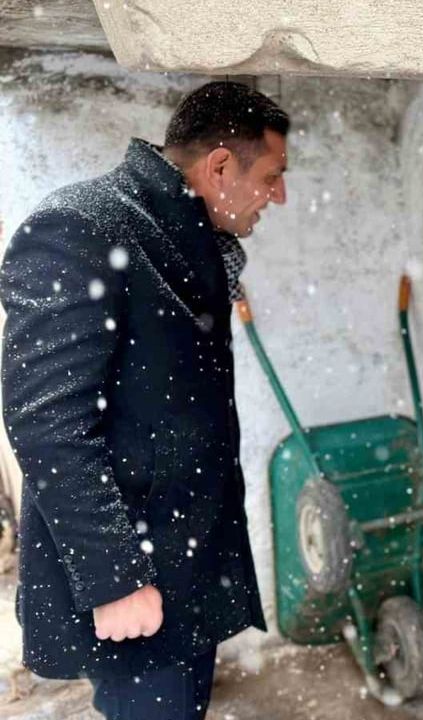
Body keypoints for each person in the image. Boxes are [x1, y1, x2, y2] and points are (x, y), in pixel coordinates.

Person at [1, 81, 289, 720]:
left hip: (182, 568)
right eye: (272, 176)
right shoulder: (79, 226)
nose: (279, 196)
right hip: (138, 582)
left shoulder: (183, 238)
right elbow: (46, 420)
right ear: (220, 166)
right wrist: (115, 578)